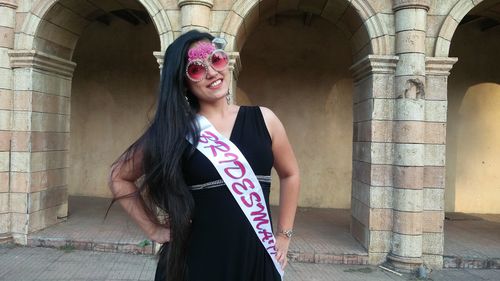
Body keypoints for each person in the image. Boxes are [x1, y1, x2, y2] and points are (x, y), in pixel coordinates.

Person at [108, 30, 300, 281]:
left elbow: (290, 174)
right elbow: (119, 176)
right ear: (183, 81)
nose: (211, 72)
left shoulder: (264, 119)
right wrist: (154, 229)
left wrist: (283, 237)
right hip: (195, 262)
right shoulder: (174, 130)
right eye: (196, 69)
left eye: (216, 60)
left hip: (255, 257)